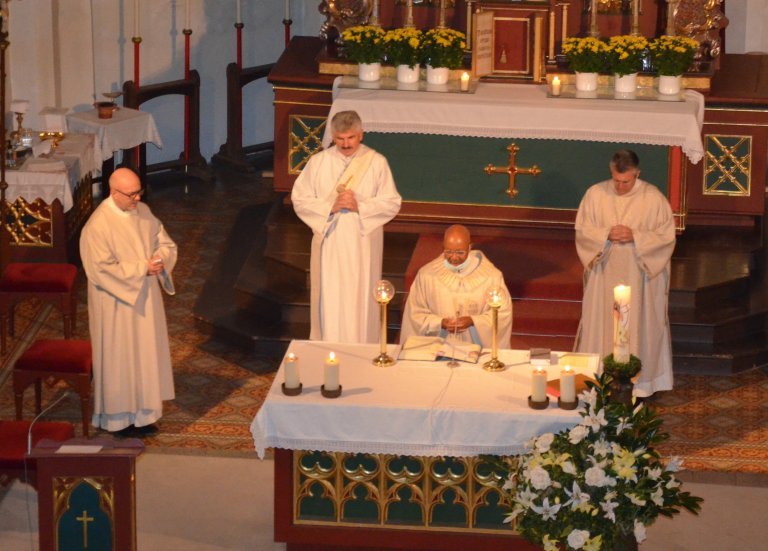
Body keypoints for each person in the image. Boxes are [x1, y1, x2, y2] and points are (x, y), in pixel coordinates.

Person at [80, 168, 177, 435]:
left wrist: (159, 260)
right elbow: (99, 269)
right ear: (113, 192)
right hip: (115, 304)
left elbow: (165, 243)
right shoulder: (98, 226)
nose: (136, 199)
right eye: (131, 194)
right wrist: (140, 269)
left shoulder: (143, 212)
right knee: (119, 359)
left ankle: (145, 415)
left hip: (145, 300)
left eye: (139, 192)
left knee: (145, 355)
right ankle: (118, 419)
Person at [291, 110, 402, 343]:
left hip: (362, 243)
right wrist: (329, 207)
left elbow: (392, 202)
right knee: (331, 296)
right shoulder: (318, 162)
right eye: (340, 138)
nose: (345, 144)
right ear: (332, 135)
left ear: (361, 135)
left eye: (350, 138)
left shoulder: (376, 162)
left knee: (359, 298)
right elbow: (300, 199)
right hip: (330, 242)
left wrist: (359, 205)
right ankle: (329, 347)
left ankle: (362, 347)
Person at [574, 149, 676, 397]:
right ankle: (599, 378)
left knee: (637, 326)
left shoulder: (653, 198)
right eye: (616, 181)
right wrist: (604, 235)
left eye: (626, 181)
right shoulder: (595, 194)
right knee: (603, 322)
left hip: (638, 275)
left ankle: (640, 385)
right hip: (605, 274)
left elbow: (666, 237)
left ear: (637, 173)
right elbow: (582, 231)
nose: (620, 187)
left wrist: (636, 236)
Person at [400, 224, 512, 348]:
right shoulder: (427, 275)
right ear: (443, 247)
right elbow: (414, 314)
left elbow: (502, 315)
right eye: (448, 251)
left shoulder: (492, 277)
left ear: (469, 247)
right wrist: (440, 323)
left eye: (460, 252)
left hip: (476, 349)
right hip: (437, 349)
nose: (453, 257)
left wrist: (473, 321)